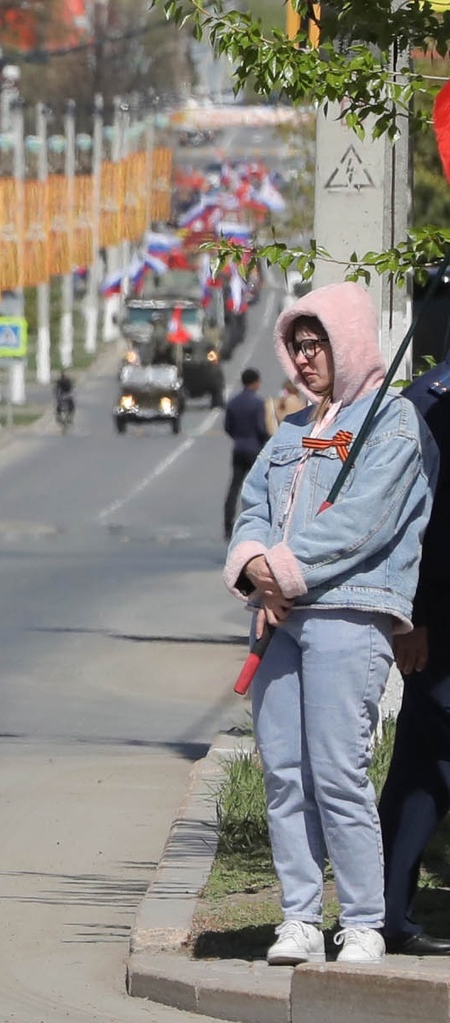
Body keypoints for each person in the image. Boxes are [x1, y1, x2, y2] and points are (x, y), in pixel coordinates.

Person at [224, 281, 437, 967]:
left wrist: (278, 570)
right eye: (297, 345)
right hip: (279, 621)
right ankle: (298, 918)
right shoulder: (289, 431)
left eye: (317, 344)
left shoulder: (393, 423)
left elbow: (363, 523)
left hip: (349, 613)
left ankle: (366, 920)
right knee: (285, 773)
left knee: (338, 771)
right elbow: (252, 505)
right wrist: (253, 563)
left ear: (347, 342)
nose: (306, 357)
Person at [378, 353, 450, 956]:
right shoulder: (427, 403)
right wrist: (414, 618)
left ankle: (389, 913)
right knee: (423, 766)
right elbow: (412, 525)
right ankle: (387, 913)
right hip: (442, 621)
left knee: (429, 767)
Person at [223, 367, 270, 540]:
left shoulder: (233, 402)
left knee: (234, 486)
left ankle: (227, 524)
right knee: (258, 487)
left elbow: (227, 427)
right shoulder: (258, 403)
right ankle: (257, 523)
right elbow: (260, 427)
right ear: (256, 382)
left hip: (238, 448)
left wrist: (238, 437)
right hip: (254, 449)